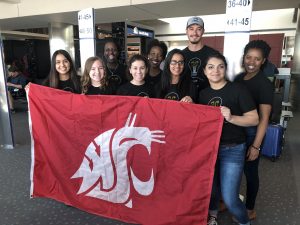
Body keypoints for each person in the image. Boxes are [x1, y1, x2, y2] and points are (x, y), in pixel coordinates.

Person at [198, 52, 259, 225]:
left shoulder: (238, 90)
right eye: (211, 67)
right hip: (210, 149)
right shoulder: (203, 94)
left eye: (220, 67)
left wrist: (232, 118)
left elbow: (254, 118)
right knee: (211, 188)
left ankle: (244, 222)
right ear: (204, 71)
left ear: (225, 69)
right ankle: (213, 215)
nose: (215, 71)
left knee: (230, 198)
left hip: (233, 149)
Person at [235, 40, 274, 220]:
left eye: (257, 59)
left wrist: (256, 146)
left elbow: (264, 118)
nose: (251, 61)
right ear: (244, 58)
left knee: (250, 173)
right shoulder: (238, 78)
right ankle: (227, 200)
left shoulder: (264, 83)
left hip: (252, 135)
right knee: (232, 170)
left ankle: (250, 209)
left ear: (263, 61)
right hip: (236, 132)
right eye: (249, 57)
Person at [182, 16, 218, 100]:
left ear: (203, 31)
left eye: (198, 29)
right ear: (186, 31)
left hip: (208, 100)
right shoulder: (181, 55)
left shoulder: (213, 54)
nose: (194, 33)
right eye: (191, 29)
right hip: (185, 101)